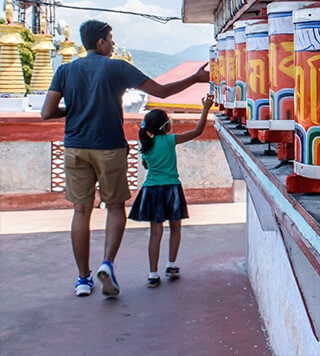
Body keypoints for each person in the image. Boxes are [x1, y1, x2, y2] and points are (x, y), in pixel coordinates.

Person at [40, 19, 210, 297]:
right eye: (111, 38)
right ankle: (107, 263)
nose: (114, 43)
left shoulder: (65, 70)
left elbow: (46, 112)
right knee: (115, 207)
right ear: (101, 43)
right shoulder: (118, 67)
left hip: (75, 147)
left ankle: (83, 278)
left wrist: (74, 110)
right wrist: (194, 78)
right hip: (110, 147)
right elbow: (162, 91)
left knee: (81, 211)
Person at [129, 93, 214, 287]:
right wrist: (206, 109)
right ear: (165, 126)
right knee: (175, 228)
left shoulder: (146, 146)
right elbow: (198, 131)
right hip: (171, 189)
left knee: (155, 233)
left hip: (151, 191)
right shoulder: (169, 140)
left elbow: (147, 165)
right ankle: (172, 264)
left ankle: (152, 274)